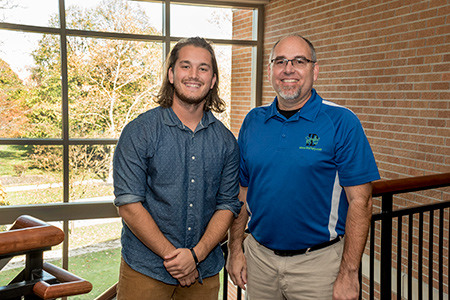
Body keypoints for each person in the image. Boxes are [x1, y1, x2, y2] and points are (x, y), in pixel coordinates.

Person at [226, 34, 380, 300]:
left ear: (315, 70)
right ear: (271, 70)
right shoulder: (253, 121)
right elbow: (241, 192)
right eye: (280, 61)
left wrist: (349, 273)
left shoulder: (342, 122)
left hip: (318, 266)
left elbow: (361, 202)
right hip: (259, 261)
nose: (288, 69)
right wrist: (235, 249)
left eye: (299, 61)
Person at [113, 37, 241, 300]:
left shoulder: (227, 142)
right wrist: (177, 260)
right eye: (186, 66)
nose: (194, 75)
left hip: (203, 273)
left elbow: (228, 205)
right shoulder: (140, 131)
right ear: (171, 74)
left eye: (203, 68)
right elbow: (128, 204)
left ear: (213, 79)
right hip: (145, 270)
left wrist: (195, 256)